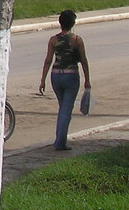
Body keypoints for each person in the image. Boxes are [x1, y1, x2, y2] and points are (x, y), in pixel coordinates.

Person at [39, 9, 91, 151]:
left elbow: (48, 60)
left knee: (63, 108)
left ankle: (60, 139)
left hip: (55, 76)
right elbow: (84, 61)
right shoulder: (76, 40)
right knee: (66, 110)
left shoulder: (53, 40)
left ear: (60, 23)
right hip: (71, 76)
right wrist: (87, 80)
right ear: (73, 23)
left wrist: (43, 80)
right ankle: (60, 142)